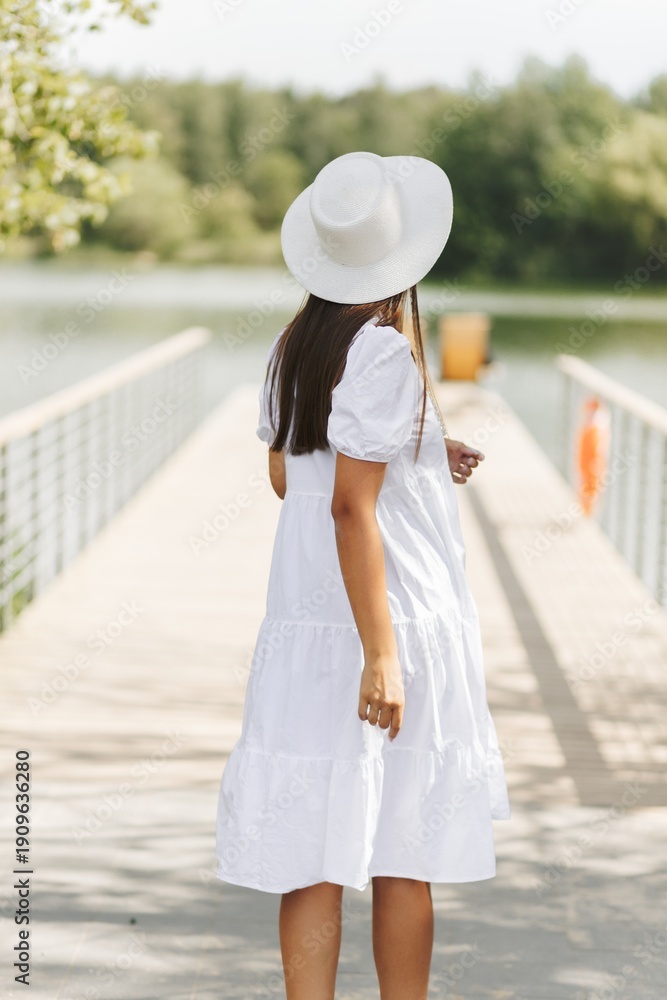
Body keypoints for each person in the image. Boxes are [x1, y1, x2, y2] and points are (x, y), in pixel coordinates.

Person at [215, 150, 511, 1000]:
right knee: (402, 849)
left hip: (308, 621)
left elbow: (290, 480)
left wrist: (419, 449)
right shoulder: (381, 350)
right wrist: (381, 656)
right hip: (388, 619)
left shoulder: (293, 347)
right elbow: (350, 507)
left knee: (309, 847)